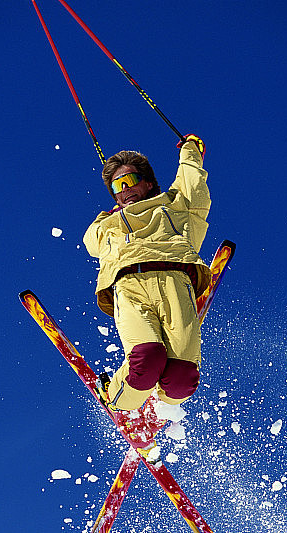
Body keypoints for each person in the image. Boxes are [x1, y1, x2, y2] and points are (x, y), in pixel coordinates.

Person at [83, 135, 211, 413]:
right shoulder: (109, 222)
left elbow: (193, 183)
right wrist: (114, 215)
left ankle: (159, 408)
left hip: (174, 280)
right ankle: (117, 397)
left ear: (149, 182)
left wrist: (191, 151)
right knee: (147, 358)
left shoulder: (175, 207)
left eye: (130, 181)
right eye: (117, 186)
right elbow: (91, 242)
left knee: (182, 379)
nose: (124, 189)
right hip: (129, 283)